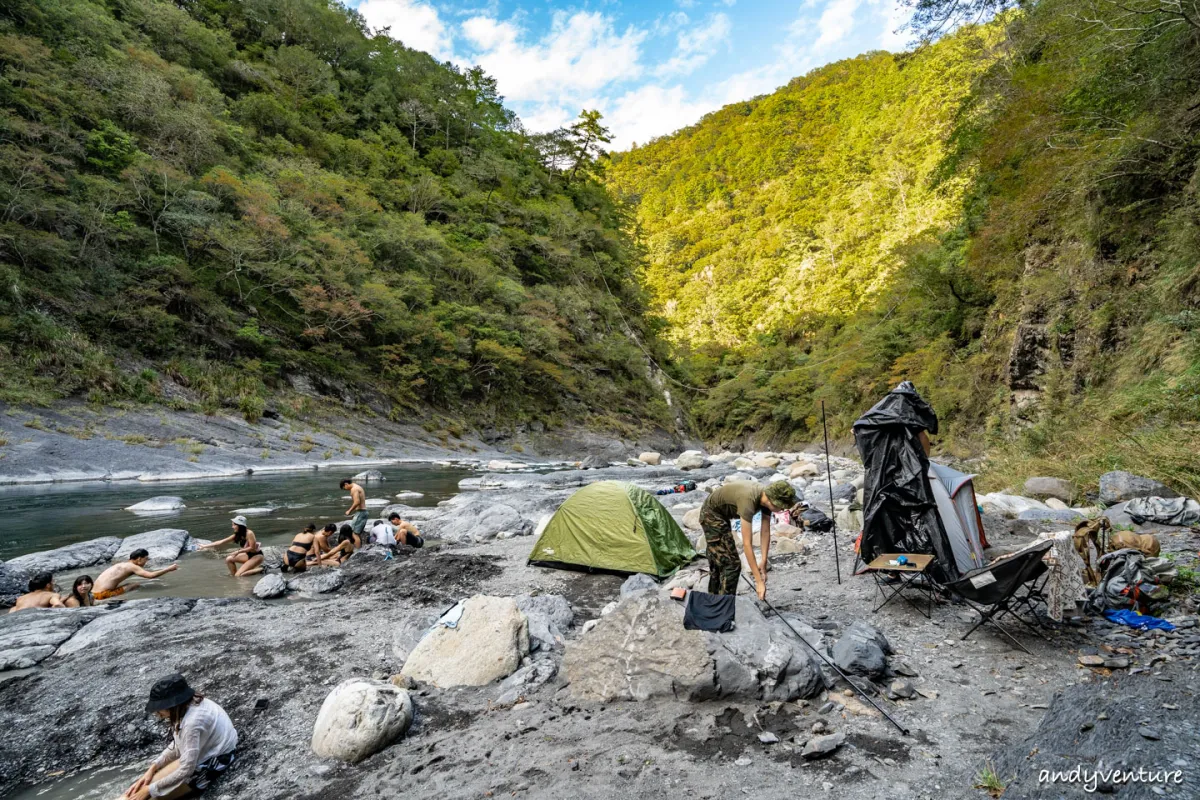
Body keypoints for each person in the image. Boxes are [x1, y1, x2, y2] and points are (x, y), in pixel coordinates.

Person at [123, 674, 237, 800]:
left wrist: (150, 789)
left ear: (172, 706)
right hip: (203, 750)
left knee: (148, 796)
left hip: (216, 760)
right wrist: (153, 767)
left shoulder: (192, 722)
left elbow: (187, 769)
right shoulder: (188, 705)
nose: (157, 714)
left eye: (159, 709)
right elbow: (179, 744)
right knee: (134, 792)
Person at [699, 480, 798, 599]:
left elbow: (765, 531)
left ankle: (713, 601)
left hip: (723, 515)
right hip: (711, 514)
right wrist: (758, 582)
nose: (782, 510)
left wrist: (764, 560)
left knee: (720, 560)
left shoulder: (765, 499)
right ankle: (723, 607)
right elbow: (747, 544)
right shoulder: (748, 502)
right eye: (782, 507)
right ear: (774, 502)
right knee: (731, 565)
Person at [94, 549, 178, 601]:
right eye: (146, 559)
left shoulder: (123, 564)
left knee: (128, 584)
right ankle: (113, 600)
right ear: (139, 559)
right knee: (135, 585)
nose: (146, 562)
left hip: (92, 594)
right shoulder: (132, 566)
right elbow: (151, 576)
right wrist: (168, 569)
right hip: (102, 595)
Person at [198, 516, 264, 578]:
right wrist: (204, 546)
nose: (232, 527)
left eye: (234, 525)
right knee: (229, 559)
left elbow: (252, 548)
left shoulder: (249, 533)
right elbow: (221, 542)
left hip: (257, 556)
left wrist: (238, 552)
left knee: (240, 575)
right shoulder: (237, 535)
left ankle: (262, 569)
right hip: (248, 555)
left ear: (240, 525)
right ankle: (234, 576)